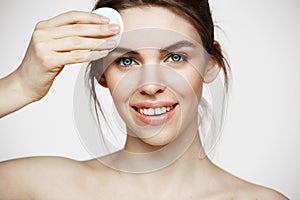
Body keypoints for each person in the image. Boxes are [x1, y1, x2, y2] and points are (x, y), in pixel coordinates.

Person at [0, 0, 288, 199]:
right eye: (127, 61)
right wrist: (19, 86)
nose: (150, 85)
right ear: (102, 73)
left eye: (175, 57)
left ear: (211, 64)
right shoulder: (43, 189)